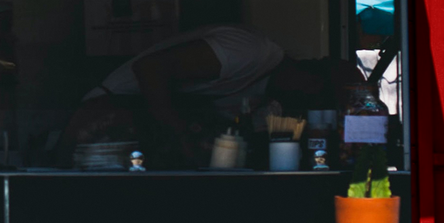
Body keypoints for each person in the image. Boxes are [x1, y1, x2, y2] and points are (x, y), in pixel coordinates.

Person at [64, 23, 329, 167]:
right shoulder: (250, 51)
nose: (298, 102)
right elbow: (149, 68)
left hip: (141, 135)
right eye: (310, 95)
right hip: (109, 116)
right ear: (309, 74)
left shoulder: (263, 91)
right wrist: (180, 131)